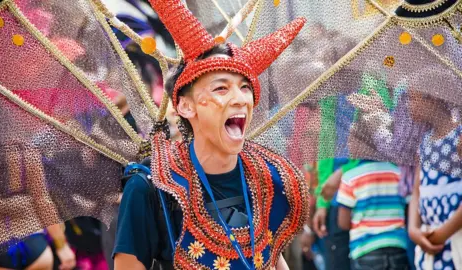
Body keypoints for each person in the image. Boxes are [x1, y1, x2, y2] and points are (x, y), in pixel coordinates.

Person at [112, 0, 310, 269]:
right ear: (185, 105)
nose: (240, 99)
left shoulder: (267, 177)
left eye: (244, 87)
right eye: (221, 88)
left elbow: (270, 259)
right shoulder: (150, 186)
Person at [405, 70, 462, 270]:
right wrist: (413, 230)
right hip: (429, 240)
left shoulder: (459, 136)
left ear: (433, 98)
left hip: (455, 239)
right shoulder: (424, 142)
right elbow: (416, 192)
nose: (408, 105)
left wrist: (444, 233)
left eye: (413, 98)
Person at [337, 161, 409, 270]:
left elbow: (343, 223)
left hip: (365, 249)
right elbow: (408, 214)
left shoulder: (350, 178)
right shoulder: (399, 174)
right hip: (398, 246)